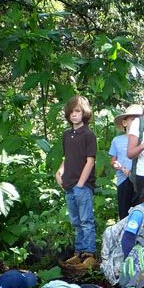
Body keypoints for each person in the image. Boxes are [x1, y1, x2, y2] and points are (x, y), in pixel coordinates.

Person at [56, 95, 97, 263]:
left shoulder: (88, 134)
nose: (74, 115)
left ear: (84, 113)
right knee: (75, 221)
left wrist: (81, 183)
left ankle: (89, 252)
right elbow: (67, 157)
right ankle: (78, 252)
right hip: (69, 184)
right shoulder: (67, 135)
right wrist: (59, 172)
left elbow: (90, 160)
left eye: (78, 111)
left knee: (86, 220)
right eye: (71, 112)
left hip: (83, 185)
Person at [109, 104, 143, 218]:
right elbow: (113, 160)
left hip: (140, 178)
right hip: (123, 179)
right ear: (125, 123)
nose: (136, 122)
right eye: (133, 119)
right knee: (124, 212)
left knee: (140, 211)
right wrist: (116, 165)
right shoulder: (117, 140)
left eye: (139, 119)